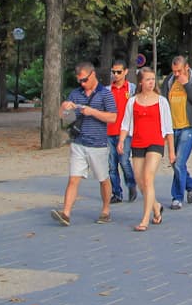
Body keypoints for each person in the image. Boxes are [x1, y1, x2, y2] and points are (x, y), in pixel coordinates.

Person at [52, 62, 118, 226]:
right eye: (79, 81)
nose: (82, 84)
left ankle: (105, 209)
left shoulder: (105, 94)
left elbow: (113, 117)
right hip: (78, 143)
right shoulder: (76, 94)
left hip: (98, 144)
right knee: (73, 179)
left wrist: (93, 112)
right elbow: (66, 119)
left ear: (93, 75)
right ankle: (66, 213)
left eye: (84, 80)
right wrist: (64, 108)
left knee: (103, 179)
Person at [118, 67, 175, 231]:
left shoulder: (161, 101)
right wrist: (121, 140)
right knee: (140, 180)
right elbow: (125, 123)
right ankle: (156, 208)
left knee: (148, 177)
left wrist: (171, 151)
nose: (151, 82)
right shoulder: (133, 101)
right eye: (148, 79)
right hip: (137, 142)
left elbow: (169, 129)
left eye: (153, 79)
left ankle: (144, 219)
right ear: (141, 82)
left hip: (155, 142)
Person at [163, 56, 192, 210]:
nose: (176, 74)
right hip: (172, 128)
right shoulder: (169, 81)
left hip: (188, 127)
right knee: (175, 163)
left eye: (179, 71)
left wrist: (186, 84)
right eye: (174, 71)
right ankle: (190, 183)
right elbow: (163, 102)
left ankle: (177, 197)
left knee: (179, 162)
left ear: (186, 67)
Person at [105, 59, 137, 205]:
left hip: (126, 131)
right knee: (112, 165)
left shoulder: (131, 89)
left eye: (119, 72)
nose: (116, 75)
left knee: (124, 161)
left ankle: (131, 185)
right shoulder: (106, 90)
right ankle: (116, 193)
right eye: (113, 72)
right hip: (109, 131)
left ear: (125, 72)